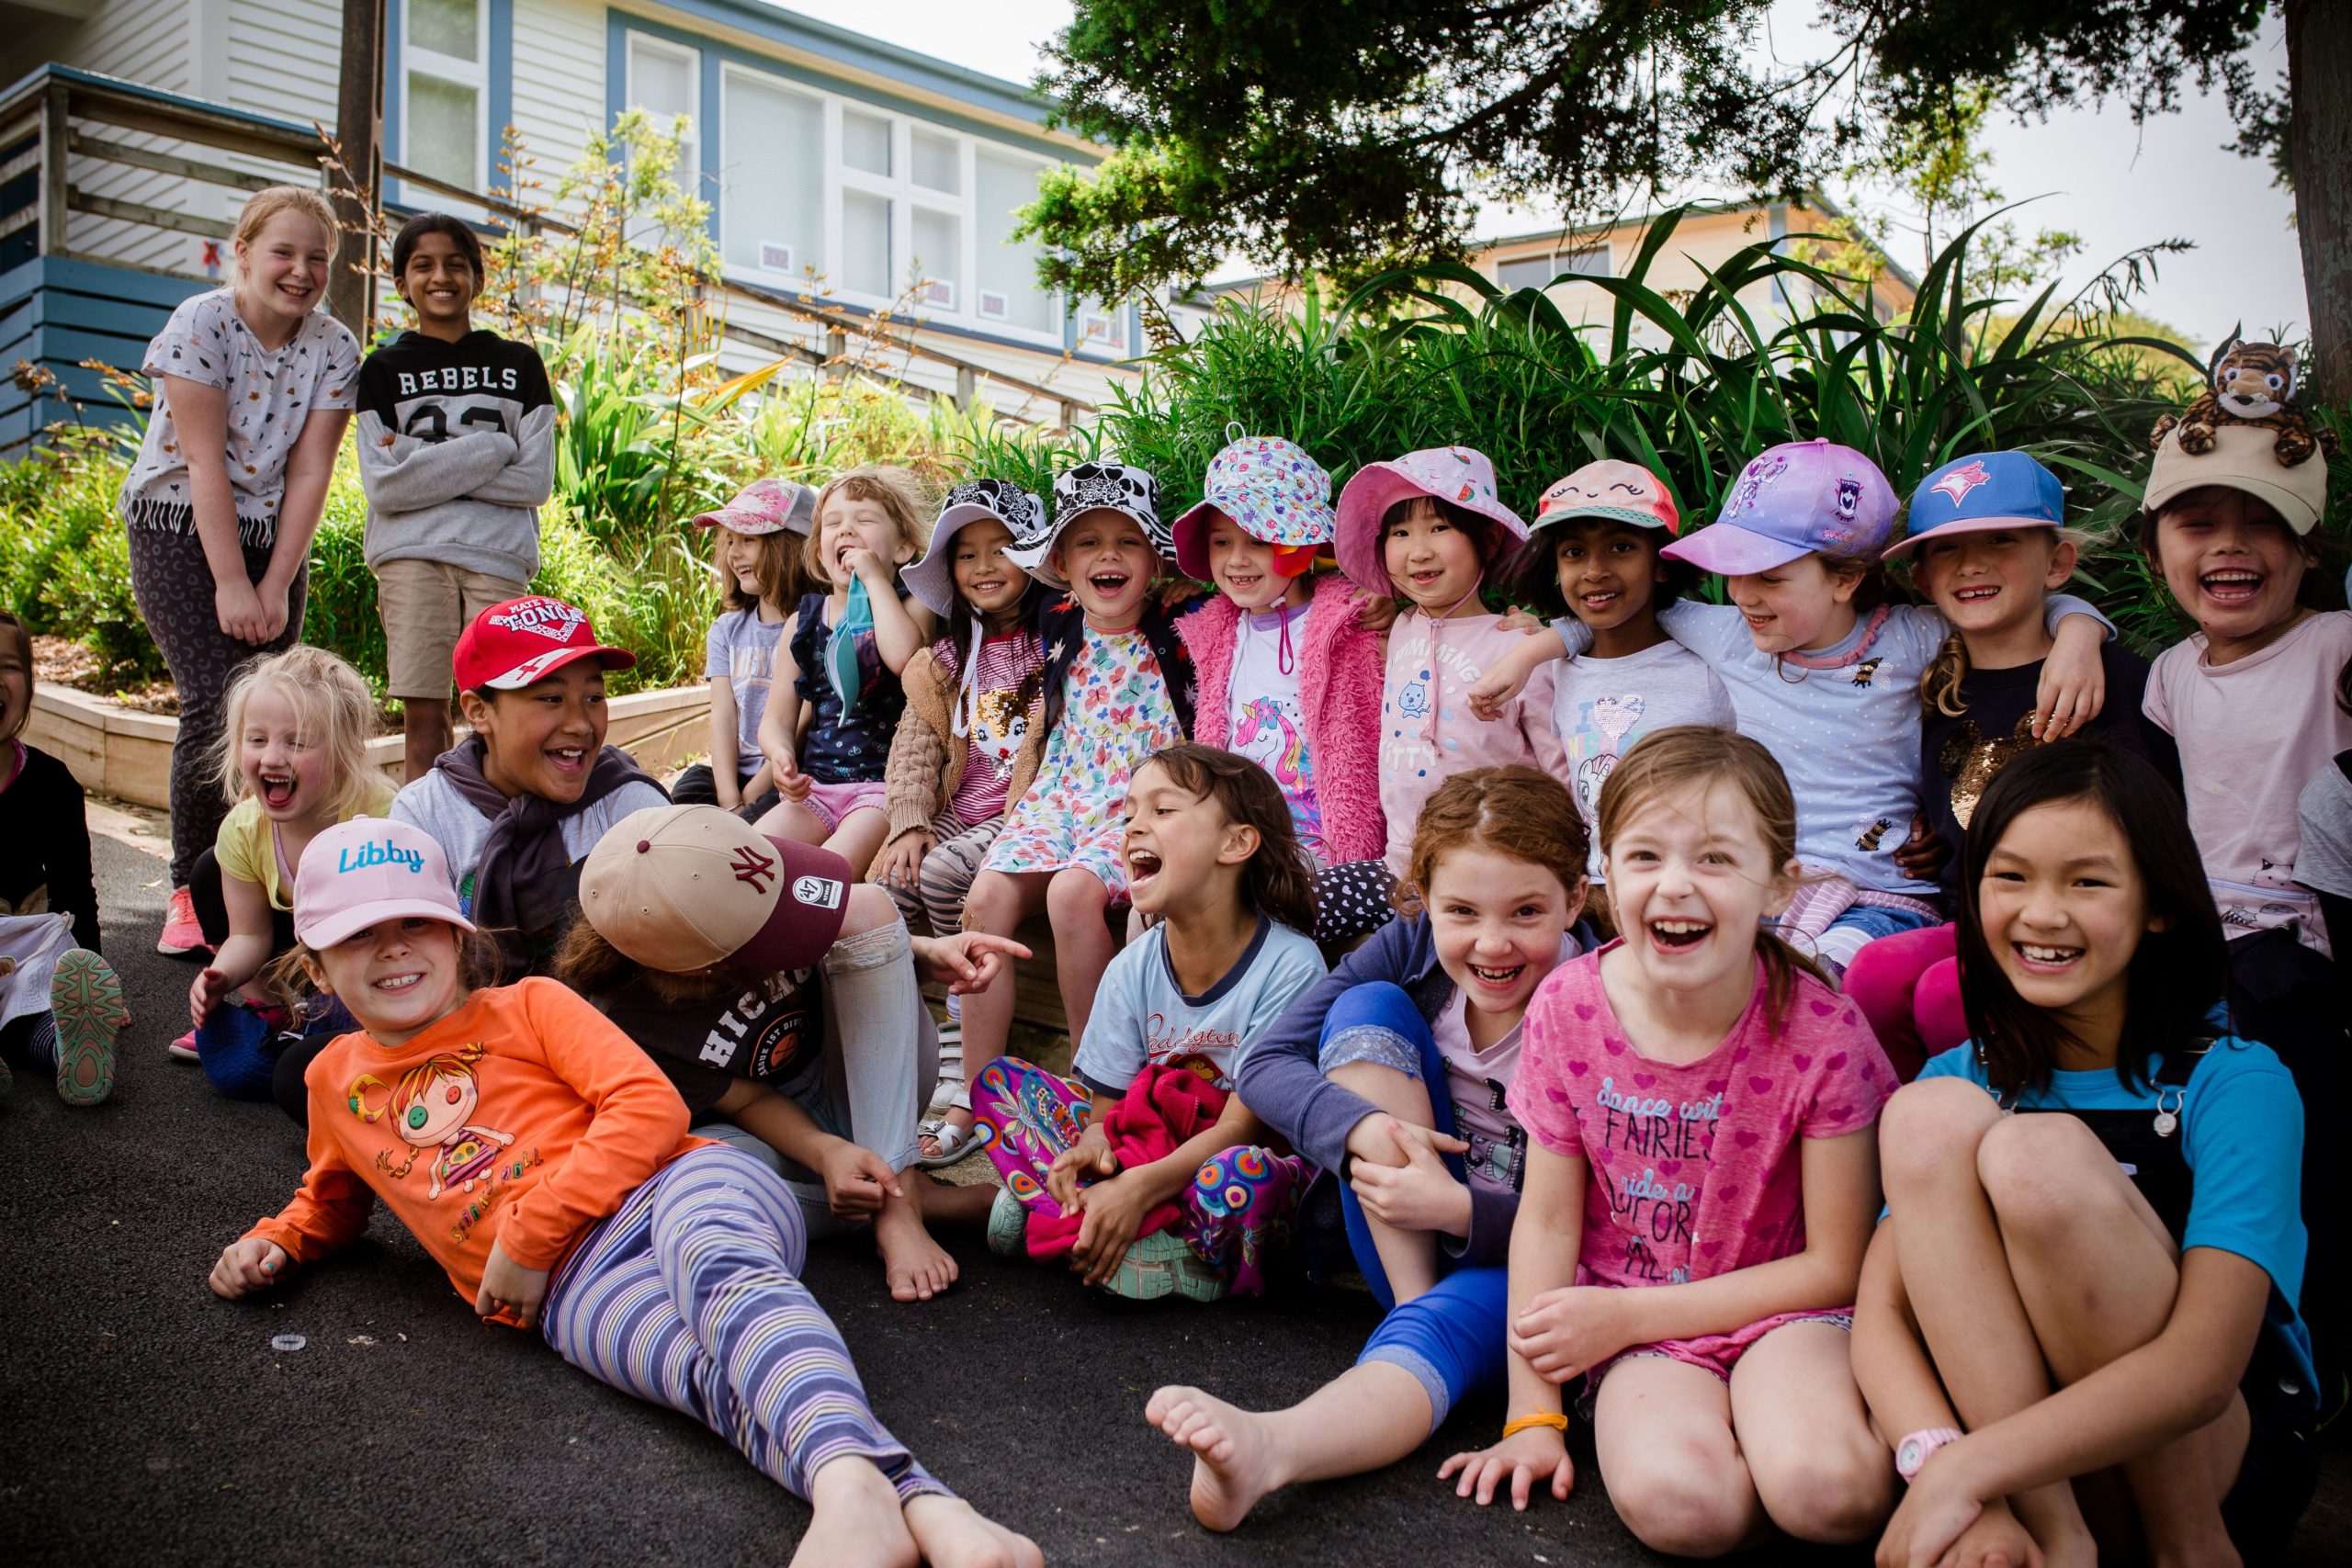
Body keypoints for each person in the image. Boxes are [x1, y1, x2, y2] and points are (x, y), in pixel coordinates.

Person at [208, 817, 1041, 1568]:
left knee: (729, 1282)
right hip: (572, 1295)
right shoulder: (329, 1080)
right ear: (315, 965)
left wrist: (529, 1237)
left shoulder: (529, 1004)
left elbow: (652, 1106)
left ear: (457, 939)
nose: (394, 948)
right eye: (361, 935)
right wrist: (279, 1239)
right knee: (711, 1378)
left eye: (415, 923)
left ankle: (848, 1491)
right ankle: (927, 1504)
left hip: (671, 1183)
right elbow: (332, 1195)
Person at [1853, 742, 2315, 1568]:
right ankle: (2057, 1541)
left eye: (2088, 881)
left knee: (2036, 1159)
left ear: (2160, 903)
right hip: (2039, 1480)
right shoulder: (1957, 1081)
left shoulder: (2234, 1082)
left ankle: (2189, 1552)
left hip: (2207, 1462)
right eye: (2011, 876)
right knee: (1926, 1114)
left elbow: (2205, 1370)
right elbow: (1881, 1317)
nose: (2042, 913)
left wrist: (1968, 1473)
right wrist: (1959, 1483)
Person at [1439, 728, 1897, 1558]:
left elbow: (1838, 1261)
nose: (1676, 885)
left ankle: (1770, 1437)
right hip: (1636, 1334)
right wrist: (1534, 1416)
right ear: (1609, 877)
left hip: (1785, 1309)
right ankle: (1726, 1441)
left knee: (1831, 1492)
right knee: (1684, 1511)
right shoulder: (1568, 1008)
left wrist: (1627, 1314)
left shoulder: (1825, 1032)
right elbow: (1546, 1222)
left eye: (1717, 859)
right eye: (1645, 855)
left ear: (1779, 886)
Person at [1470, 439, 2110, 978]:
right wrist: (1529, 654)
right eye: (1734, 572)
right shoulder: (1728, 633)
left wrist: (2079, 629)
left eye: (1770, 575)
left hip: (1882, 896)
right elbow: (1613, 609)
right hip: (1765, 890)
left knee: (1816, 987)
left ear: (1845, 578)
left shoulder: (1909, 636)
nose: (1745, 594)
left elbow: (2002, 603)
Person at [1148, 765, 1589, 1527]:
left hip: (1536, 1262)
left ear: (1575, 899)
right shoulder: (1408, 946)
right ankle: (1415, 1310)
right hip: (1402, 1233)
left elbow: (1602, 1221)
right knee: (1366, 1007)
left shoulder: (1601, 998)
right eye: (1461, 910)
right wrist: (1359, 1129)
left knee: (1448, 1327)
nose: (1492, 942)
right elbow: (1262, 1063)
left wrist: (1459, 1208)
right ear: (1423, 896)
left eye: (1526, 911)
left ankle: (1273, 1445)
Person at [560, 805, 1023, 1302]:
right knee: (681, 1185)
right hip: (779, 1143)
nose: (789, 920)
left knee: (868, 905)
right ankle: (912, 1197)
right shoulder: (625, 1023)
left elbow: (857, 927)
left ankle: (897, 1205)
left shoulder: (730, 879)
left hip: (871, 1090)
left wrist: (920, 954)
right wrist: (828, 1153)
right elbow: (745, 1102)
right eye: (773, 927)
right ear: (702, 969)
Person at [2133, 408, 2351, 1385]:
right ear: (2155, 553)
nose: (2228, 545)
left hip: (2301, 942)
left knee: (2303, 1143)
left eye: (2261, 521)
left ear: (2308, 550)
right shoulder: (2172, 675)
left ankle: (2315, 1341)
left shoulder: (2333, 649)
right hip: (2196, 935)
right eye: (2196, 522)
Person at [1844, 450, 2177, 1076]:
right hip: (1975, 921)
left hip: (2083, 931)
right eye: (1947, 549)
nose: (1972, 564)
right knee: (1876, 969)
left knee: (1947, 992)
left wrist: (2080, 628)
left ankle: (2002, 1131)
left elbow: (2157, 830)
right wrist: (1929, 834)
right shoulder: (1931, 687)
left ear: (2057, 564)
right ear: (1921, 577)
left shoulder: (2113, 680)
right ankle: (1896, 1137)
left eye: (2001, 540)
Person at [972, 746, 1325, 1299]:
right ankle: (1108, 1227)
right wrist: (1090, 1147)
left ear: (1236, 843)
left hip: (1227, 1169)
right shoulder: (1131, 967)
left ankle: (1108, 1231)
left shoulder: (1291, 966)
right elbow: (1104, 1112)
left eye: (1163, 811)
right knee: (1003, 1086)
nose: (1135, 826)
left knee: (1238, 1180)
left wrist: (1137, 1188)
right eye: (1130, 812)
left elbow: (1241, 1129)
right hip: (1144, 1152)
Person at [921, 461, 1197, 1168]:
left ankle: (1093, 1083)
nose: (1107, 556)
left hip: (1137, 803)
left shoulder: (1182, 628)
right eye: (1087, 542)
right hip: (1058, 793)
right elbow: (945, 641)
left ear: (1155, 559)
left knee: (1076, 894)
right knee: (983, 894)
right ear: (1062, 563)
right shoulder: (1057, 621)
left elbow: (1255, 595)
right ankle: (980, 1097)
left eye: (1127, 542)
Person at [118, 185, 359, 956]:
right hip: (178, 522)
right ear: (243, 252)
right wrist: (231, 581)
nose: (301, 270)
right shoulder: (201, 323)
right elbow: (201, 462)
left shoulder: (334, 347)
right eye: (283, 252)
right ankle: (192, 893)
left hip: (272, 535)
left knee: (276, 715)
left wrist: (277, 581)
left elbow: (312, 474)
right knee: (216, 704)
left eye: (317, 258)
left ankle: (262, 889)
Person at [355, 211, 556, 784]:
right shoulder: (382, 369)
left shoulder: (518, 364)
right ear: (402, 283)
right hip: (410, 555)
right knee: (423, 720)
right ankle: (427, 855)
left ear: (477, 278)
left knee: (503, 717)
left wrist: (422, 457)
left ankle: (495, 852)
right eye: (423, 265)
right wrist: (494, 446)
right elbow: (386, 486)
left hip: (497, 557)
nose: (440, 276)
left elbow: (533, 482)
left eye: (455, 264)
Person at [1175, 434, 1393, 943]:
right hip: (1235, 824)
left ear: (1302, 544)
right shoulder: (1216, 631)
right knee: (1163, 900)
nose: (1237, 560)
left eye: (1259, 541)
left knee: (1248, 908)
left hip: (1320, 834)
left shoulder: (1351, 622)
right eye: (1222, 542)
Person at [1500, 460, 1732, 912]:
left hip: (1687, 894)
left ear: (1661, 564)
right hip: (1596, 891)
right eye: (1573, 553)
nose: (1594, 571)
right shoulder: (1559, 669)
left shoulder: (1709, 671)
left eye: (1621, 547)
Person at [1332, 446, 1566, 882]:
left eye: (1439, 527)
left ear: (1489, 540)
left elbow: (1557, 766)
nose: (1418, 552)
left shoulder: (1517, 645)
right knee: (1304, 902)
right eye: (1400, 534)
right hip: (1402, 864)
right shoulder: (1399, 628)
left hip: (1494, 865)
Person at [173, 646, 394, 1097]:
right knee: (207, 870)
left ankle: (328, 1038)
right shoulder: (243, 828)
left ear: (346, 752)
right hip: (298, 957)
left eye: (296, 742)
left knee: (301, 1068)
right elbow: (249, 936)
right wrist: (221, 977)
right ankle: (275, 1015)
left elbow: (393, 937)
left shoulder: (382, 819)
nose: (272, 757)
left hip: (368, 968)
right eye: (257, 740)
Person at [870, 479, 1049, 935]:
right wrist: (909, 823)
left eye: (1002, 550)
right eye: (967, 555)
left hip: (1016, 814)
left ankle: (962, 989)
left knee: (942, 871)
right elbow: (913, 752)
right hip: (957, 809)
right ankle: (903, 1000)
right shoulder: (943, 663)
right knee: (890, 883)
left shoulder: (1058, 646)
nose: (984, 567)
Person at [755, 467, 936, 877]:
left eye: (865, 520)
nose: (846, 530)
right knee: (750, 858)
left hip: (883, 792)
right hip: (815, 789)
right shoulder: (803, 621)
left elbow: (904, 659)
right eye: (833, 523)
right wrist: (780, 754)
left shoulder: (912, 607)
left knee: (824, 872)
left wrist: (874, 579)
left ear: (904, 547)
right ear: (821, 553)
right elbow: (777, 718)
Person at [0, 612, 126, 1106]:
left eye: (8, 666)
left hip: (27, 950)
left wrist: (95, 968)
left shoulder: (53, 783)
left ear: (29, 686)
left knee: (41, 1008)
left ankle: (72, 1048)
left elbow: (76, 889)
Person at [673, 478, 817, 815]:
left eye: (748, 540)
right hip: (734, 775)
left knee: (769, 815)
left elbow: (802, 721)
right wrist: (729, 799)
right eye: (730, 540)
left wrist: (754, 792)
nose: (733, 554)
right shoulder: (726, 630)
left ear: (790, 545)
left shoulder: (817, 624)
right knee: (687, 793)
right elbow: (722, 716)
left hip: (788, 774)